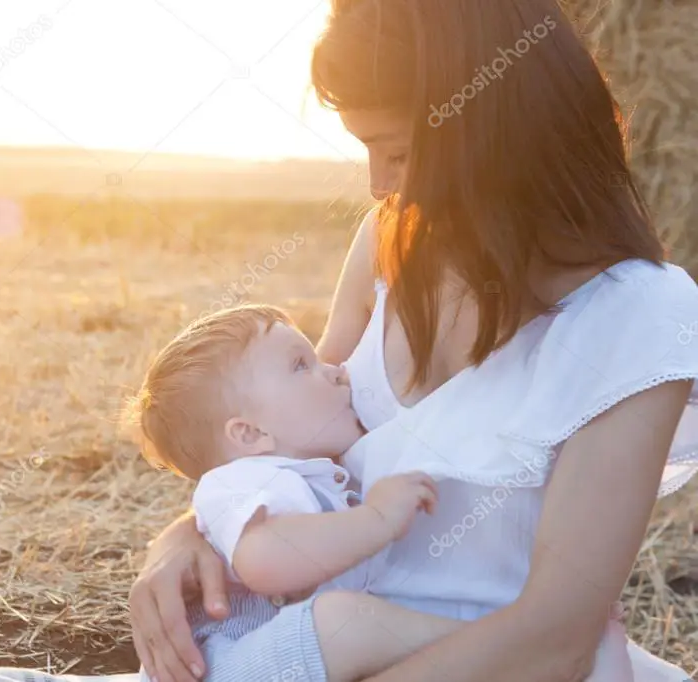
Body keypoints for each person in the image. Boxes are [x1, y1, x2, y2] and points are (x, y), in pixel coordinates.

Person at [127, 1, 698, 681]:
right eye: (364, 149)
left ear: (490, 128)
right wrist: (186, 535)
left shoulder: (638, 315)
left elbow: (555, 639)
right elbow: (286, 438)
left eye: (395, 151)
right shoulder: (388, 242)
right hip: (317, 657)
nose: (376, 185)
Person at [123, 303, 632, 682]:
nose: (336, 368)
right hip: (226, 664)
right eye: (301, 365)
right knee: (343, 621)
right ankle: (521, 649)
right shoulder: (242, 481)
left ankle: (535, 651)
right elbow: (264, 561)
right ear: (249, 433)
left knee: (360, 628)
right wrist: (376, 519)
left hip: (284, 659)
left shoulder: (306, 472)